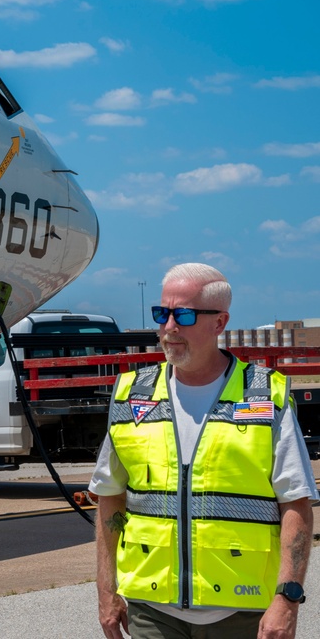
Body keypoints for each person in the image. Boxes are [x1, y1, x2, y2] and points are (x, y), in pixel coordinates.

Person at [90, 263, 317, 639]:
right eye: (162, 314)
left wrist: (286, 599)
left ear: (220, 322)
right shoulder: (133, 396)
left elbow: (296, 503)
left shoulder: (264, 397)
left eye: (184, 315)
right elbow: (109, 497)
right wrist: (106, 591)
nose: (169, 327)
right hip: (153, 612)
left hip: (243, 614)